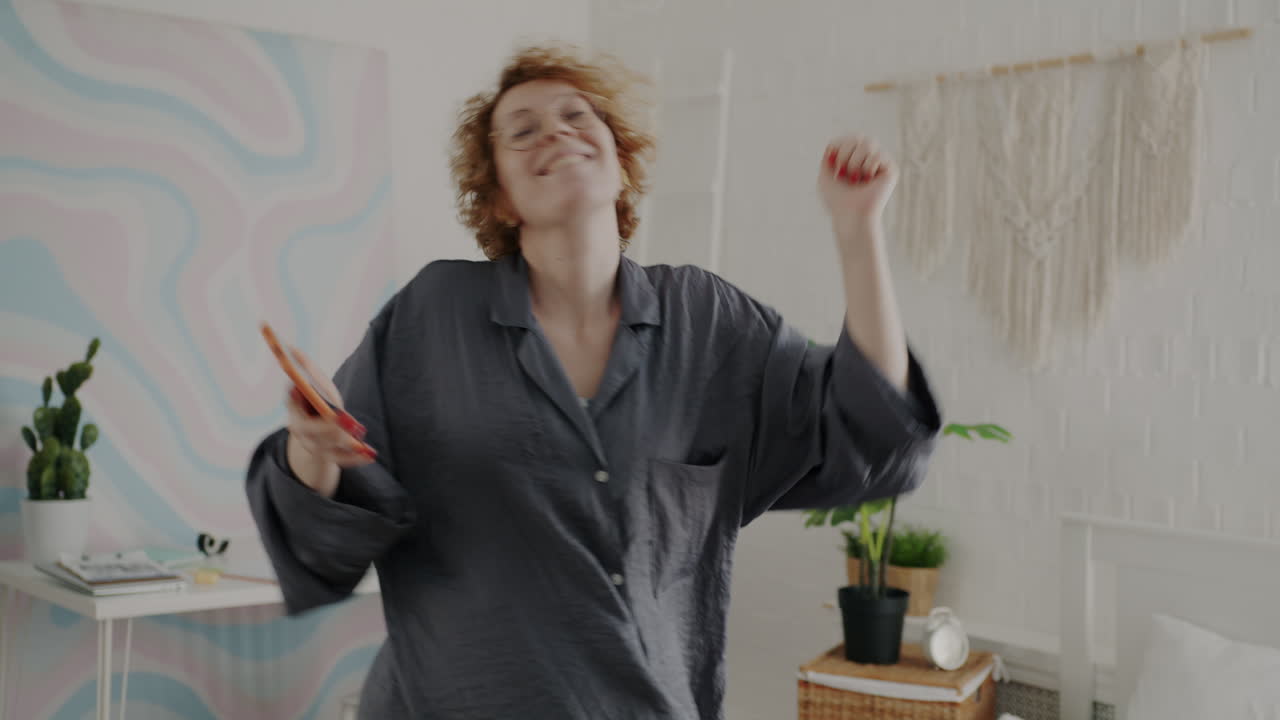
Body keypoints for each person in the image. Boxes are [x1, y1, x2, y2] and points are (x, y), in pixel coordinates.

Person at [245, 43, 942, 720]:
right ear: (500, 199)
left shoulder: (709, 321)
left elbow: (870, 428)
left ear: (620, 159)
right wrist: (311, 448)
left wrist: (858, 233)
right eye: (521, 130)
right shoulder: (432, 317)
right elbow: (322, 538)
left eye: (578, 116)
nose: (555, 131)